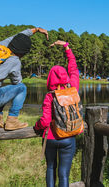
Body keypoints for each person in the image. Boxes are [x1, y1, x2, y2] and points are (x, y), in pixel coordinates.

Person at [34, 40, 79, 187]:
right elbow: (73, 68)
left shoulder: (49, 96)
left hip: (51, 139)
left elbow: (45, 121)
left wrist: (36, 127)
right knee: (64, 174)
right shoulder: (73, 89)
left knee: (50, 168)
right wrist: (66, 47)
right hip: (68, 137)